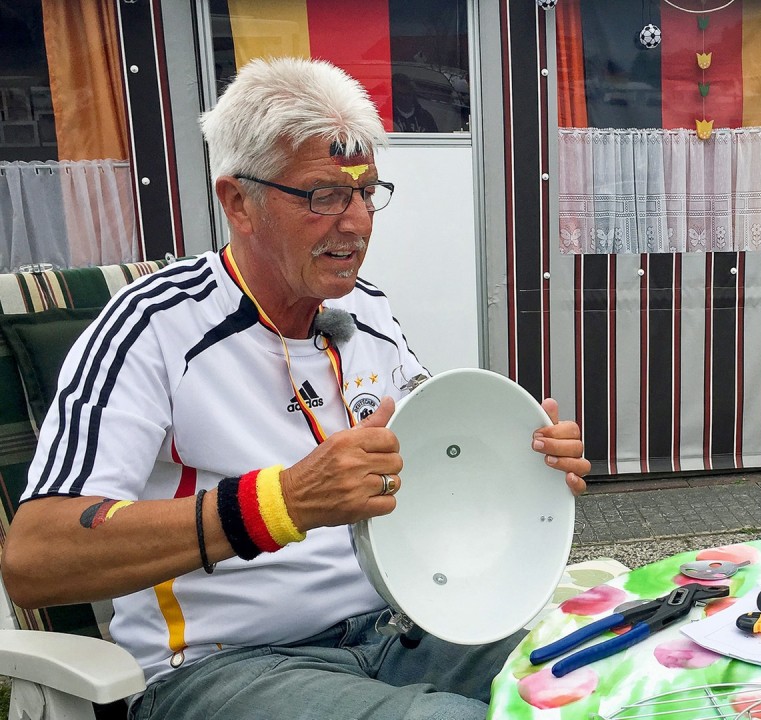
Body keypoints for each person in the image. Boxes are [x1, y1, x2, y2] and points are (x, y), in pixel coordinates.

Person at [0, 57, 590, 720]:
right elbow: (37, 554)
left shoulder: (368, 311)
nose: (357, 223)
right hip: (222, 665)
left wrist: (520, 459)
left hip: (399, 630)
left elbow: (430, 459)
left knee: (614, 673)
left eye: (367, 191)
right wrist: (281, 503)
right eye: (323, 195)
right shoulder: (152, 328)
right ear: (238, 203)